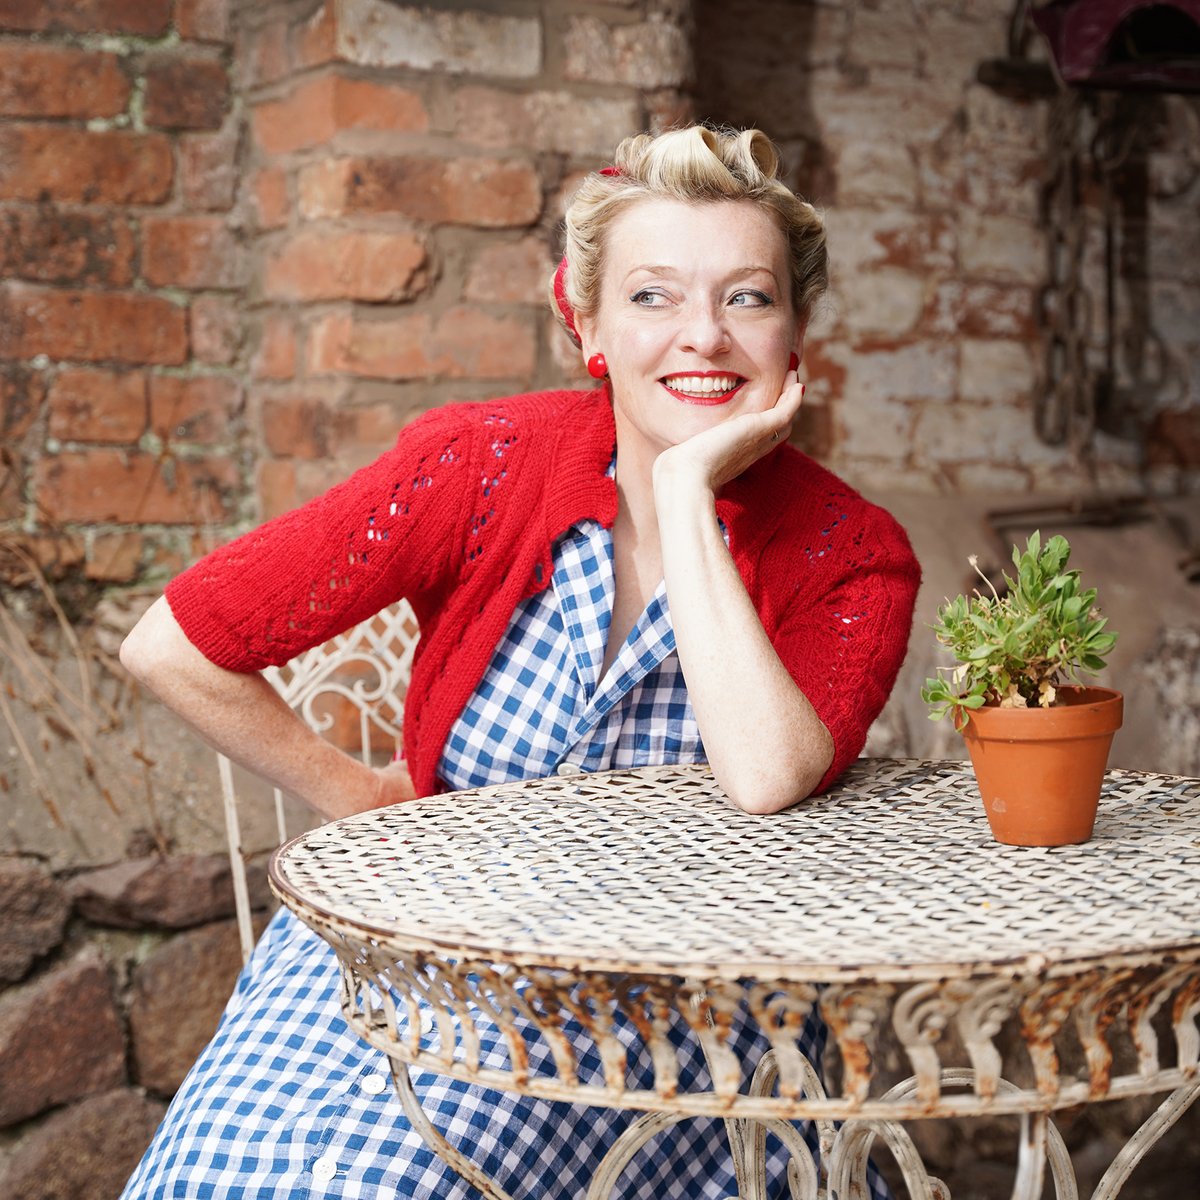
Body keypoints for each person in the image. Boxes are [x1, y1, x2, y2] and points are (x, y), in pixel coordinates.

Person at [119, 124, 919, 1199]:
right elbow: (170, 644)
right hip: (401, 955)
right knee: (217, 1177)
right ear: (583, 320)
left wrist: (687, 493)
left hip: (664, 1014)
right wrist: (358, 797)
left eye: (748, 298)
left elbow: (770, 777)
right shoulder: (482, 465)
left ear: (795, 330)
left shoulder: (851, 554)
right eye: (652, 297)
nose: (706, 336)